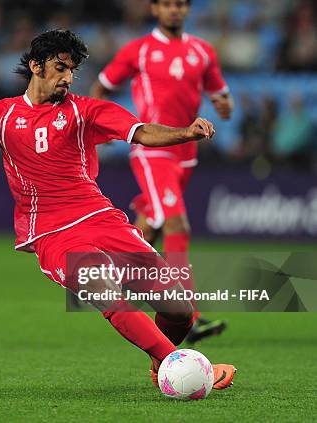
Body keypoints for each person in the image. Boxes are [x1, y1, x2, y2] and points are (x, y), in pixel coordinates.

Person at [0, 29, 236, 391]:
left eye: (72, 70)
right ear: (36, 66)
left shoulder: (85, 111)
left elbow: (141, 132)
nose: (67, 77)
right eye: (60, 67)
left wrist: (185, 132)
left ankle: (162, 359)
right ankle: (180, 365)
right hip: (50, 232)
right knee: (102, 285)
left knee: (178, 310)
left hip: (100, 218)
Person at [89, 0, 233, 343]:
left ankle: (115, 274)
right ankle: (191, 315)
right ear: (155, 9)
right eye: (167, 4)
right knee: (176, 224)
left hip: (187, 154)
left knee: (149, 227)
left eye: (180, 4)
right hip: (153, 151)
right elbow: (102, 86)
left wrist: (223, 104)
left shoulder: (203, 51)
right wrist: (99, 128)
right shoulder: (138, 51)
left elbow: (219, 90)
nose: (175, 10)